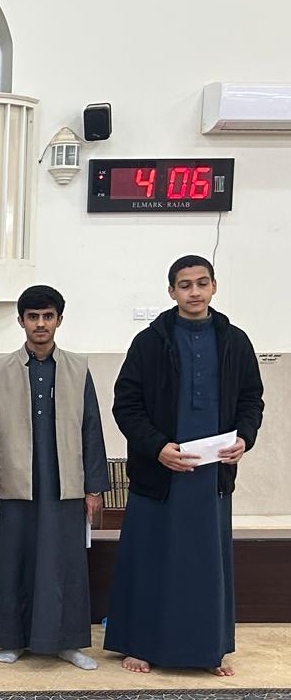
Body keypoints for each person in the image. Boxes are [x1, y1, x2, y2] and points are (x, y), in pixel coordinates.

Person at [104, 255, 264, 676]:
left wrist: (244, 438)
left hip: (211, 478)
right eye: (185, 285)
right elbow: (126, 405)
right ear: (171, 291)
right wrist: (157, 447)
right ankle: (140, 646)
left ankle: (209, 650)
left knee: (204, 565)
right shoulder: (149, 342)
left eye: (202, 283)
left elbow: (251, 399)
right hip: (159, 475)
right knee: (152, 560)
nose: (194, 292)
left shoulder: (236, 342)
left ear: (214, 287)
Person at [0, 285, 110, 670]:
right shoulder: (0, 370)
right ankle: (12, 639)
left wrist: (94, 487)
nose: (40, 324)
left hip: (65, 484)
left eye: (48, 316)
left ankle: (68, 643)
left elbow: (92, 429)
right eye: (33, 317)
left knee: (64, 563)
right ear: (21, 321)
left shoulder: (78, 369)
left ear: (59, 320)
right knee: (13, 561)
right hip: (14, 484)